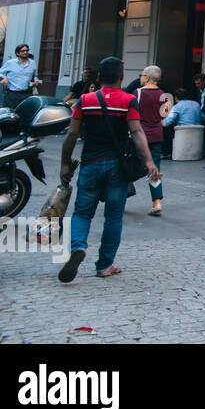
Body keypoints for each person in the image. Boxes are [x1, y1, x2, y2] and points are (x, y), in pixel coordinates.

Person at [58, 56, 160, 282]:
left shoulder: (85, 100)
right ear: (121, 76)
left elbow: (72, 134)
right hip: (116, 166)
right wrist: (150, 162)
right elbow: (136, 132)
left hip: (90, 164)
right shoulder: (127, 100)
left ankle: (78, 247)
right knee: (114, 216)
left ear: (99, 77)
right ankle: (105, 265)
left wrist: (65, 163)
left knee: (83, 212)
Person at [136, 66, 172, 217]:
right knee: (154, 168)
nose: (140, 78)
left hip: (140, 135)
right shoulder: (165, 96)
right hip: (157, 135)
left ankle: (122, 195)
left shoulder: (137, 93)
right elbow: (165, 117)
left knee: (129, 164)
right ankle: (156, 202)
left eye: (142, 75)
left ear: (148, 77)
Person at [0, 44, 39, 109]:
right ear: (17, 53)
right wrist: (4, 77)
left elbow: (35, 76)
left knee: (25, 115)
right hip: (12, 94)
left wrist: (36, 82)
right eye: (23, 51)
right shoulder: (10, 63)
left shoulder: (32, 63)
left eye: (27, 50)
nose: (25, 52)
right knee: (10, 115)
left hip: (26, 94)